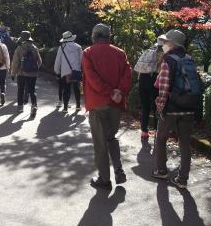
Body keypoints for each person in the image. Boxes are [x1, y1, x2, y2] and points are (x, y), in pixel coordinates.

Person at [82, 23, 132, 190]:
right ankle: (118, 169)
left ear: (95, 36)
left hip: (98, 103)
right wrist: (119, 92)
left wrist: (109, 91)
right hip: (115, 103)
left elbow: (92, 78)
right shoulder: (120, 53)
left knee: (100, 143)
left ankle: (104, 179)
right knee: (110, 137)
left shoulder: (88, 53)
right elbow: (127, 74)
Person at [152, 29, 203, 189]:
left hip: (171, 108)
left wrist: (160, 108)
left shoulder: (168, 60)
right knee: (185, 143)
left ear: (173, 44)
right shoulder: (189, 59)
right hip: (189, 107)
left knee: (160, 139)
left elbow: (164, 88)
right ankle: (182, 179)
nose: (164, 45)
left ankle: (161, 170)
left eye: (166, 42)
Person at [134, 36, 164, 138]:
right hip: (155, 80)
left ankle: (144, 131)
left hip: (143, 78)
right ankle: (156, 130)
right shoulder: (164, 53)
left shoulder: (149, 50)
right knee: (156, 107)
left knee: (145, 106)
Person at [11, 31, 42, 116]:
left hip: (21, 73)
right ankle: (34, 106)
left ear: (22, 38)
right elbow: (40, 61)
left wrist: (13, 74)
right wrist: (35, 69)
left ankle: (20, 107)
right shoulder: (35, 48)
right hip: (33, 74)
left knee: (20, 90)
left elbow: (15, 62)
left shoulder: (19, 48)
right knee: (32, 90)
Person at [54, 31, 83, 113]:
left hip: (65, 71)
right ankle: (78, 106)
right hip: (76, 71)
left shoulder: (62, 47)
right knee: (77, 89)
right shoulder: (78, 47)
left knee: (66, 89)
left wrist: (57, 71)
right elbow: (82, 60)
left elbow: (58, 61)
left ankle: (65, 108)